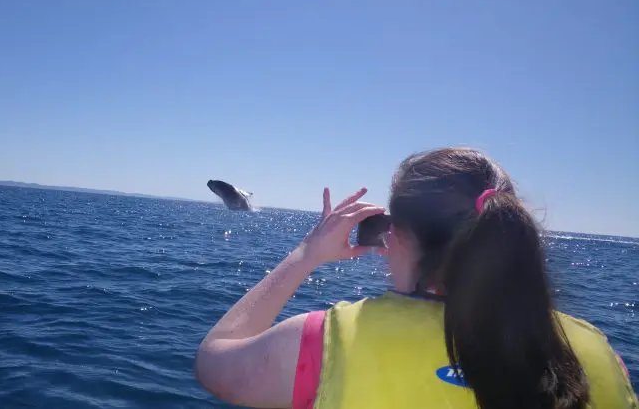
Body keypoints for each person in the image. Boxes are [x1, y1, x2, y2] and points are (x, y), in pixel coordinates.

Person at [193, 147, 638, 409]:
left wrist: (305, 255)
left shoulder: (327, 343)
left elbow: (214, 361)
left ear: (396, 235)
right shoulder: (600, 355)